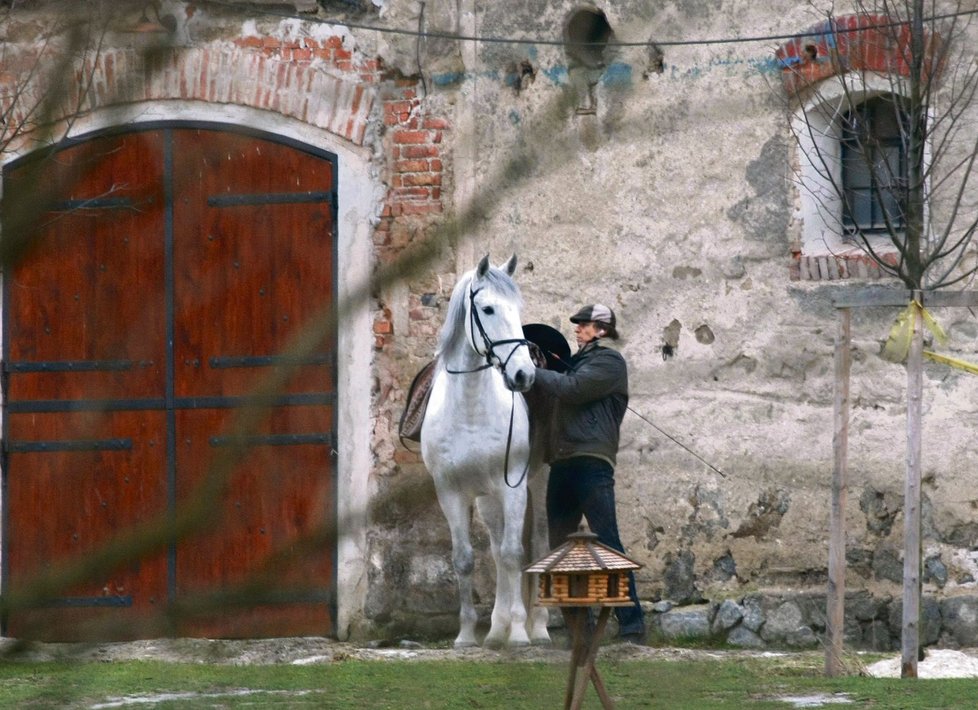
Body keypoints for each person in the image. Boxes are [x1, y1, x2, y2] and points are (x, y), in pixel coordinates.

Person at [531, 303, 646, 643]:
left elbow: (574, 389)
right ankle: (579, 630)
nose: (578, 329)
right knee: (561, 551)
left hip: (592, 463)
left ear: (602, 330)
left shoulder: (609, 362)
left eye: (584, 324)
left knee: (608, 542)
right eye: (579, 325)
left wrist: (532, 371)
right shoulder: (575, 363)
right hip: (563, 463)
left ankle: (632, 625)